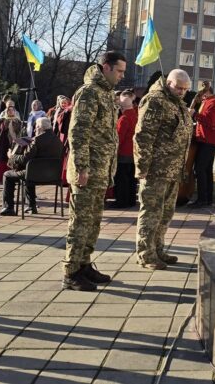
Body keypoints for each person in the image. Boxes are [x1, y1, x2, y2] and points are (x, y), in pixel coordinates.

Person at [62, 51, 126, 291]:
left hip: (101, 170)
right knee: (80, 222)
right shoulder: (89, 92)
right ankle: (71, 272)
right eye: (119, 71)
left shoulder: (106, 94)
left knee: (93, 222)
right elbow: (79, 132)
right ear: (106, 67)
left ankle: (84, 264)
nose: (121, 76)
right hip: (87, 171)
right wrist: (82, 167)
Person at [133, 70, 193, 269]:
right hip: (155, 170)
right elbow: (143, 136)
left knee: (165, 214)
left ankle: (158, 249)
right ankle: (146, 254)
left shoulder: (177, 103)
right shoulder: (155, 101)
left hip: (172, 170)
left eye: (185, 89)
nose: (182, 92)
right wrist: (142, 166)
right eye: (179, 87)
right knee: (151, 213)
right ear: (168, 83)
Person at [0, 116, 63, 215]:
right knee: (30, 171)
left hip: (35, 174)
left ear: (40, 128)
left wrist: (12, 156)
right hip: (53, 175)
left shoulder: (36, 140)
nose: (34, 129)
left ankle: (9, 208)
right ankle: (31, 206)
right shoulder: (58, 141)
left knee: (7, 175)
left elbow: (25, 159)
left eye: (36, 127)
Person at [191, 82, 215, 207]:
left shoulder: (213, 103)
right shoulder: (207, 102)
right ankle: (207, 198)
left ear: (207, 91)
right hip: (206, 139)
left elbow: (210, 122)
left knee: (200, 169)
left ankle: (202, 199)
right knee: (206, 170)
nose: (200, 95)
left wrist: (194, 114)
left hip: (209, 141)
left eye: (201, 93)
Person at [112, 89, 138, 209]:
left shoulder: (123, 119)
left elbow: (119, 137)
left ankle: (122, 201)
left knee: (121, 179)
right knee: (132, 179)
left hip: (123, 153)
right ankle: (131, 200)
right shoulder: (136, 115)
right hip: (133, 152)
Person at [0, 102, 23, 187]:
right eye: (9, 110)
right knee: (1, 158)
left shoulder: (17, 121)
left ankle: (12, 177)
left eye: (12, 110)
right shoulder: (1, 120)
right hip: (3, 142)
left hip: (13, 142)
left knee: (12, 158)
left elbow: (20, 132)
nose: (11, 112)